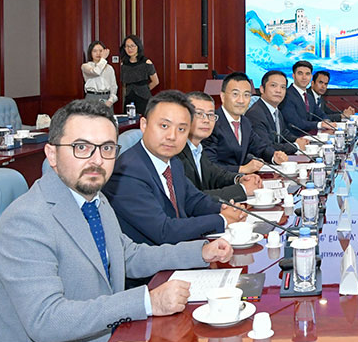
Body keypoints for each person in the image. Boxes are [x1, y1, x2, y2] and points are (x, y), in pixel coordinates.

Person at [0, 99, 233, 342]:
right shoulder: (26, 220)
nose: (97, 160)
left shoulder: (95, 200)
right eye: (81, 147)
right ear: (52, 154)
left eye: (107, 148)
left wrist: (200, 252)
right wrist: (146, 302)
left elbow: (127, 255)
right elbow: (46, 319)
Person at [103, 90, 248, 245]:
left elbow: (194, 200)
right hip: (151, 257)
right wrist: (221, 219)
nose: (172, 136)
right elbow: (164, 231)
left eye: (181, 129)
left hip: (180, 249)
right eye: (164, 126)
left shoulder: (174, 162)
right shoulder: (126, 172)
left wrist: (224, 209)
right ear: (144, 125)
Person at [177, 91, 263, 202]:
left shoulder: (197, 149)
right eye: (199, 114)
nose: (206, 120)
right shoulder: (176, 152)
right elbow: (191, 197)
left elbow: (215, 175)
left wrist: (239, 179)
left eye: (210, 115)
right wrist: (242, 190)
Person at [203, 72, 270, 172]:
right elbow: (209, 165)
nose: (241, 100)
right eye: (235, 94)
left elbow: (259, 147)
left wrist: (274, 156)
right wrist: (241, 169)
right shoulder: (211, 123)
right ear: (223, 96)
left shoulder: (245, 122)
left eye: (246, 95)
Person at [245, 70, 308, 159]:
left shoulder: (275, 110)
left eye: (283, 87)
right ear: (262, 89)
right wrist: (296, 146)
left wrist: (297, 139)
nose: (278, 90)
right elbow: (267, 147)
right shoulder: (255, 114)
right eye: (273, 85)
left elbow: (283, 133)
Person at [280, 60, 335, 134]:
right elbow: (296, 123)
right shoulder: (286, 95)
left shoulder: (309, 97)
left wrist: (327, 122)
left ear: (311, 77)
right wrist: (320, 124)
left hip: (310, 136)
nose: (304, 77)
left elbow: (321, 115)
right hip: (294, 138)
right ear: (293, 76)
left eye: (307, 74)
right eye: (300, 73)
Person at [119, 35, 159, 115]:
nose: (130, 49)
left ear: (138, 46)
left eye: (132, 46)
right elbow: (124, 84)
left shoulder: (146, 62)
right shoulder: (124, 64)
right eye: (127, 46)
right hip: (129, 99)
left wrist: (144, 89)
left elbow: (155, 81)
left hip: (143, 98)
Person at [81, 40, 118, 110]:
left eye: (101, 51)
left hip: (106, 98)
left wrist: (111, 100)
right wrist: (103, 59)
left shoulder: (109, 68)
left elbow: (114, 87)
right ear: (90, 53)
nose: (98, 53)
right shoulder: (85, 66)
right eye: (95, 51)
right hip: (92, 97)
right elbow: (96, 72)